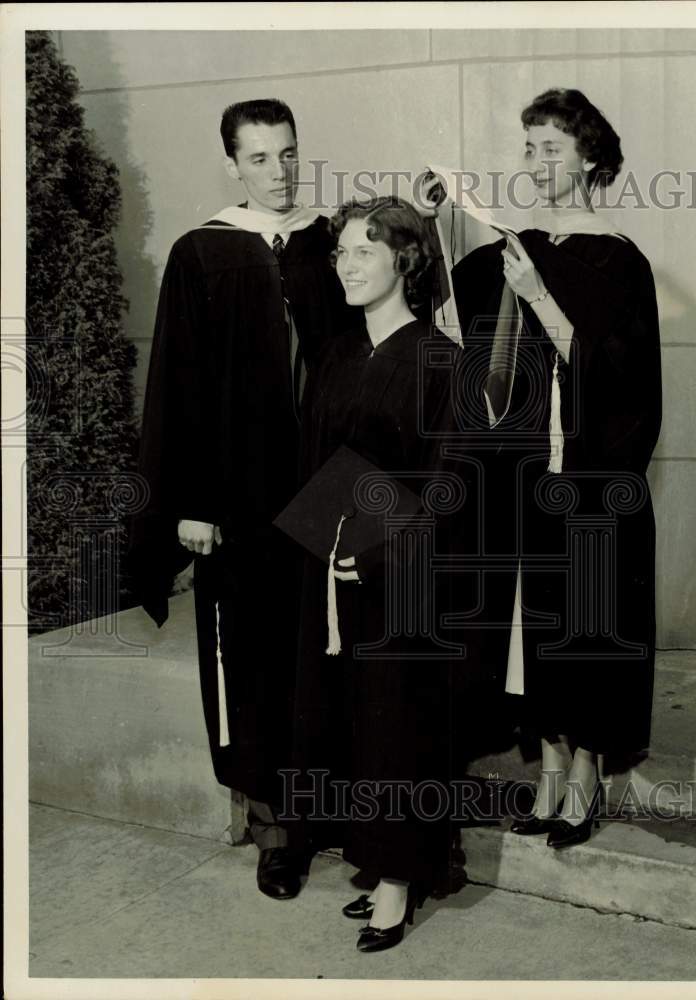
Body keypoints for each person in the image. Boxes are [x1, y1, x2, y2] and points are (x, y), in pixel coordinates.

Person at [419, 88, 662, 848]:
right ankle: (549, 774)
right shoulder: (512, 246)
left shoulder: (618, 261)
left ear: (589, 156)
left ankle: (585, 780)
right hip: (522, 478)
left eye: (549, 148)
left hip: (590, 479)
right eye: (527, 148)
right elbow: (452, 318)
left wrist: (540, 299)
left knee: (586, 627)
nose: (535, 163)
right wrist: (429, 225)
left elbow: (621, 378)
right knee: (541, 627)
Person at [130, 98, 356, 900]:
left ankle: (335, 811)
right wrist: (186, 503)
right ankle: (277, 832)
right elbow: (175, 389)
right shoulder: (201, 254)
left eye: (288, 154)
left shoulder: (334, 243)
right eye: (259, 159)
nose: (279, 171)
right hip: (235, 504)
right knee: (254, 665)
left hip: (324, 495)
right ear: (232, 164)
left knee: (326, 654)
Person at [284, 196, 458, 952]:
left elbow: (448, 484)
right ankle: (378, 858)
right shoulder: (336, 355)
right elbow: (315, 462)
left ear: (404, 260)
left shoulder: (441, 361)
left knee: (397, 726)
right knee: (352, 721)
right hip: (333, 567)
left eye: (364, 251)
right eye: (341, 254)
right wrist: (320, 547)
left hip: (403, 576)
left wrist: (380, 552)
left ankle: (398, 879)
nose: (347, 267)